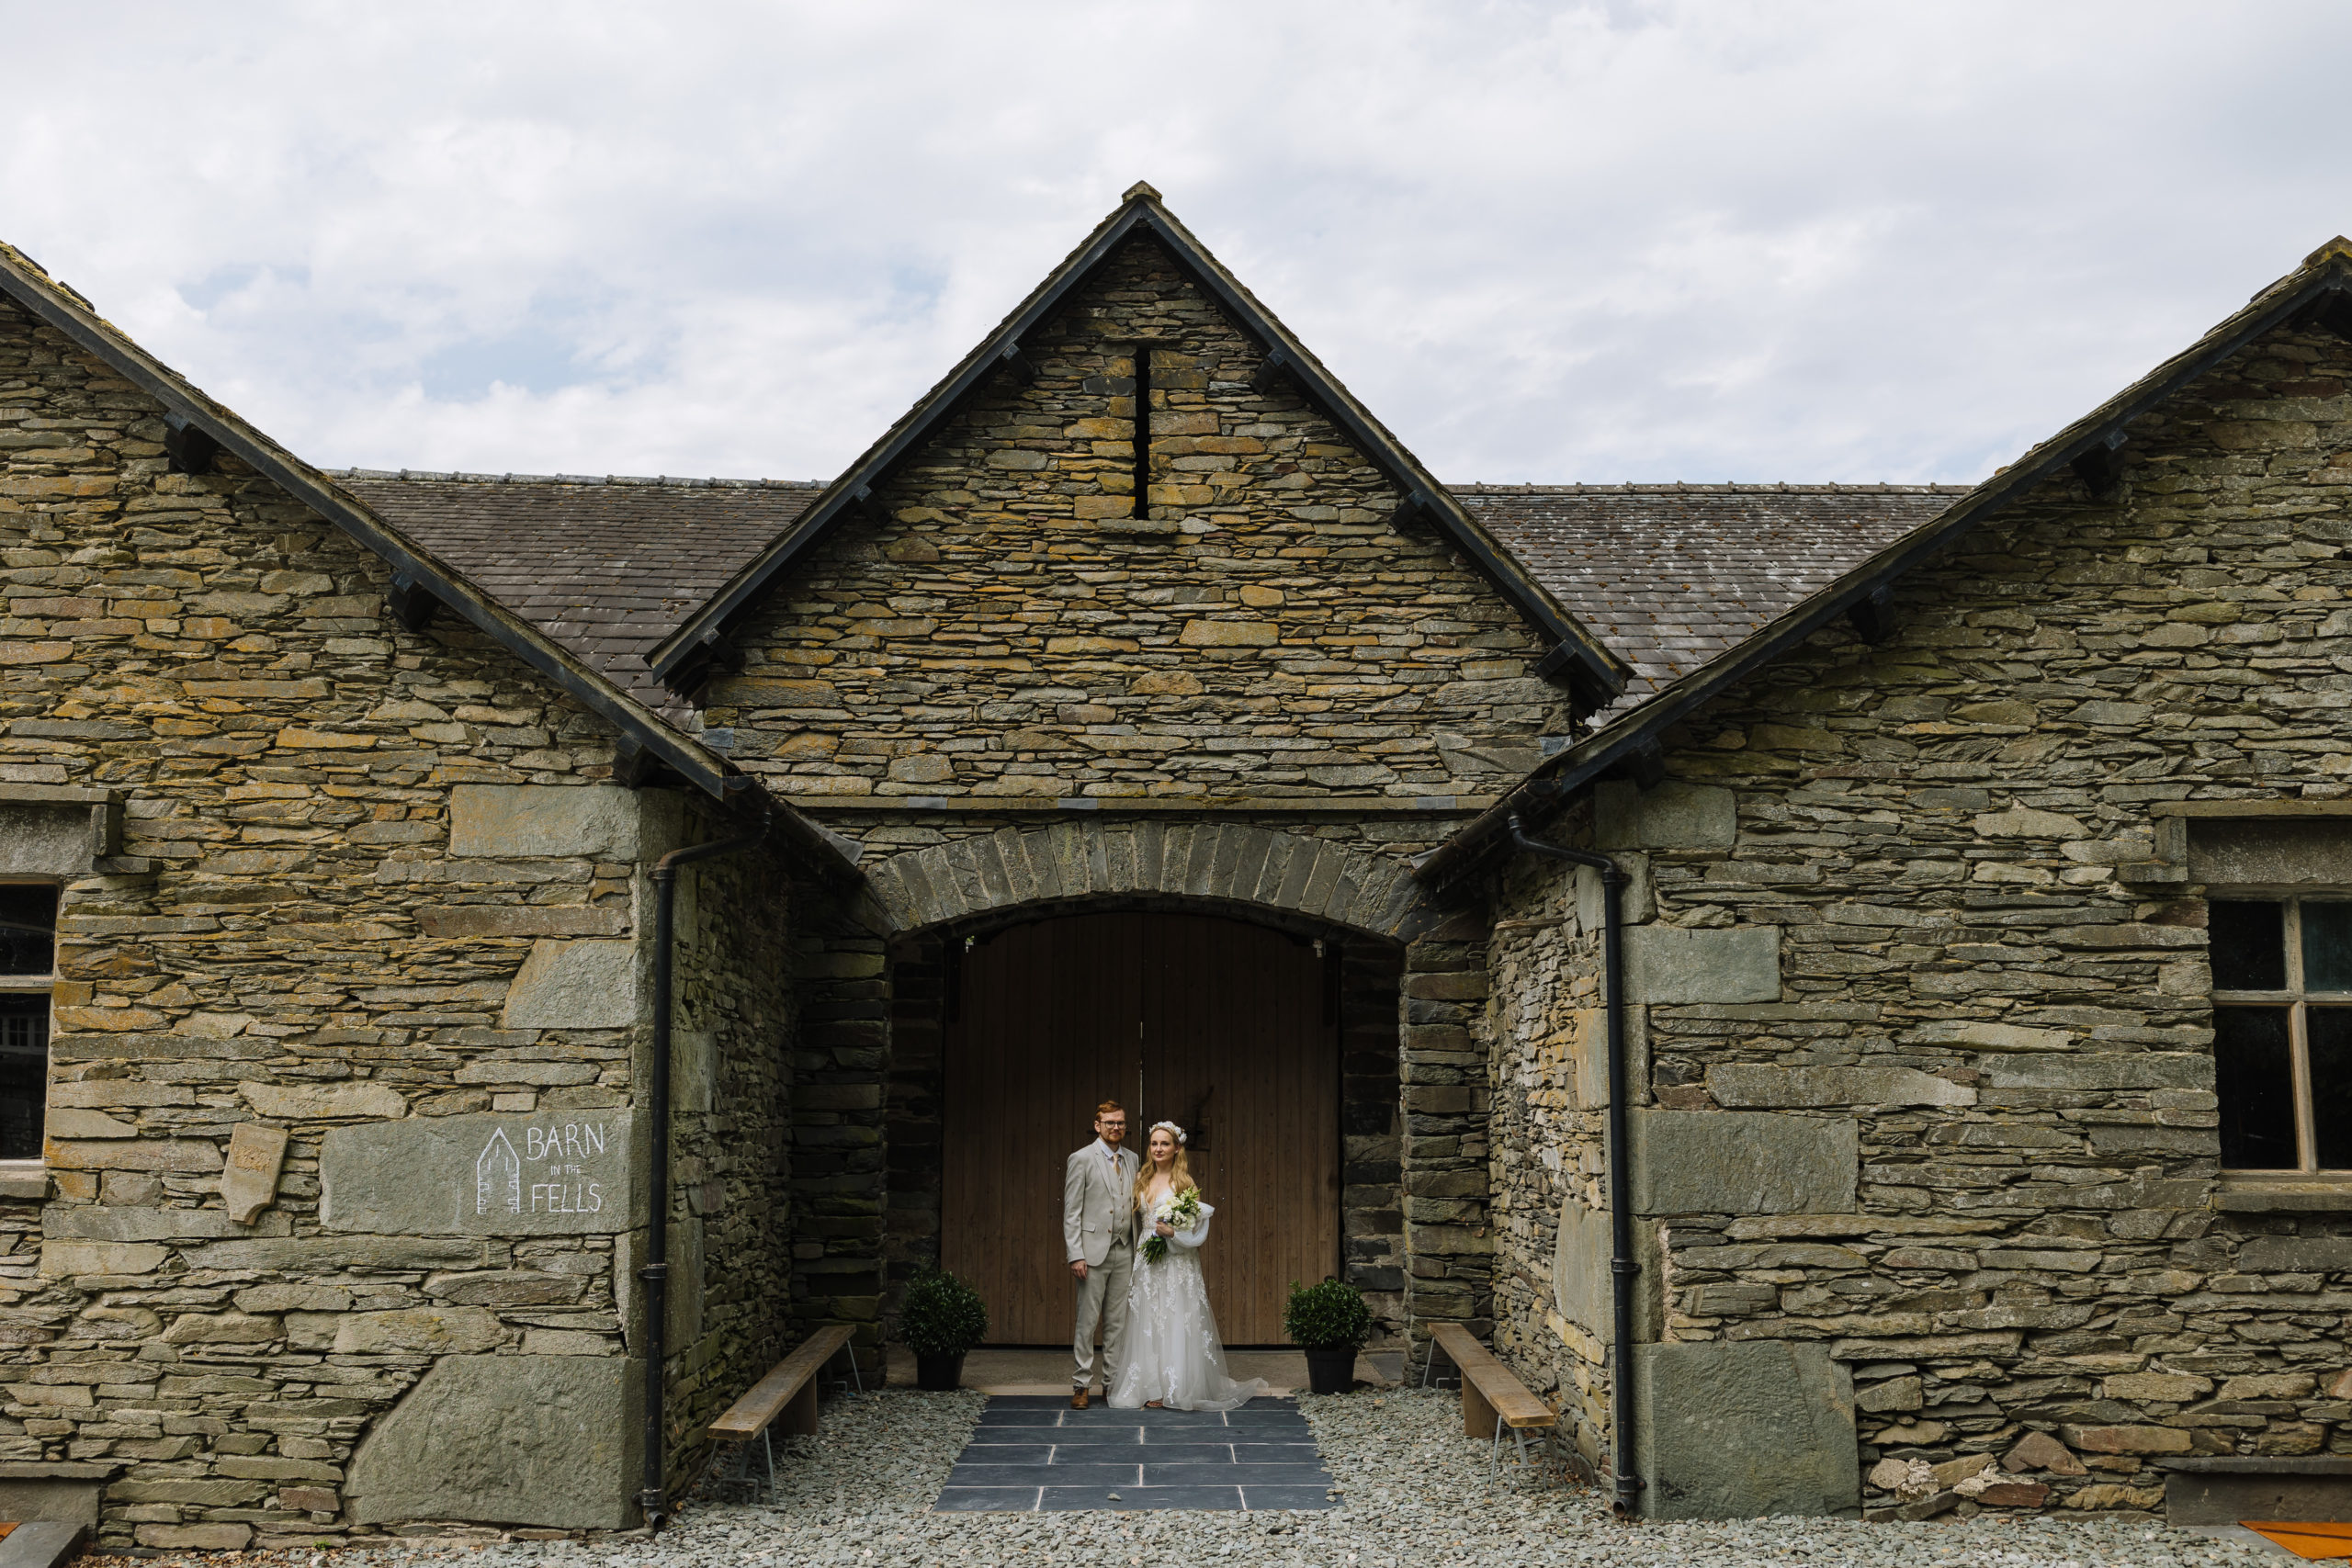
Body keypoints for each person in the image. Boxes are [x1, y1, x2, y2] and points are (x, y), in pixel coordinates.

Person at [1108, 1120, 1271, 1412]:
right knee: (1148, 1317)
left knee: (1174, 1316)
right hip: (1148, 1256)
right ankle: (1149, 1382)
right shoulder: (1142, 1179)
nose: (1158, 1149)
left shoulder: (1185, 1184)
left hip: (1177, 1260)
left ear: (1176, 1148)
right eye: (1154, 1143)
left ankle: (1175, 1386)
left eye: (1165, 1144)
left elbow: (1195, 1231)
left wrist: (1173, 1233)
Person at [1063, 1100, 1138, 1410]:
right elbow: (1071, 1212)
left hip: (1125, 1249)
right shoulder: (1081, 1159)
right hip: (1092, 1254)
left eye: (1120, 1123)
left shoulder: (1133, 1159)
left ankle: (1111, 1383)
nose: (1116, 1128)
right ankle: (1082, 1383)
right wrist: (1075, 1254)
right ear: (1098, 1125)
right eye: (1110, 1123)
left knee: (1117, 1322)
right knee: (1087, 1321)